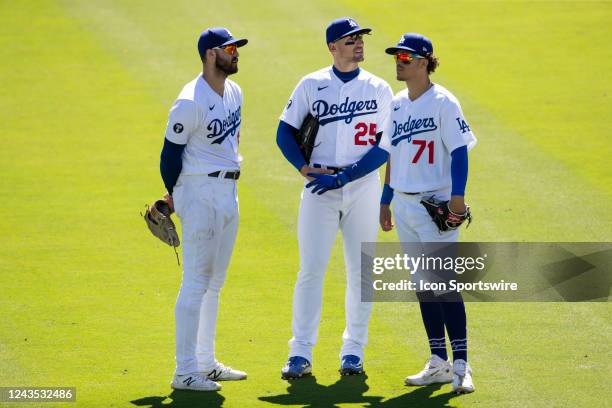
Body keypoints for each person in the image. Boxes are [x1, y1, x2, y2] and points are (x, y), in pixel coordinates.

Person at [276, 17, 393, 379]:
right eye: (349, 40)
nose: (358, 44)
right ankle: (300, 352)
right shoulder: (311, 84)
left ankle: (353, 352)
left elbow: (384, 148)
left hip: (362, 186)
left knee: (361, 273)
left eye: (360, 38)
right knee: (311, 270)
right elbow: (284, 131)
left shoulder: (379, 88)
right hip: (318, 188)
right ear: (332, 46)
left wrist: (345, 176)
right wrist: (303, 168)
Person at [378, 33, 477, 393]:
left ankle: (462, 365)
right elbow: (392, 154)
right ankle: (437, 361)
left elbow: (460, 151)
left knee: (444, 285)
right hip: (403, 205)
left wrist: (457, 197)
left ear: (423, 61)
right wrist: (385, 199)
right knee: (423, 284)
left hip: (435, 204)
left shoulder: (444, 102)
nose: (398, 62)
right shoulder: (397, 103)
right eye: (396, 57)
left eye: (405, 57)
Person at [159, 27, 248, 392]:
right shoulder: (189, 101)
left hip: (228, 190)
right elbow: (169, 156)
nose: (236, 53)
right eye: (230, 48)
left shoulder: (235, 92)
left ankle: (206, 362)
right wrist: (174, 196)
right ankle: (184, 372)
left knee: (214, 283)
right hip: (199, 192)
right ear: (211, 54)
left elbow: (231, 141)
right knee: (195, 282)